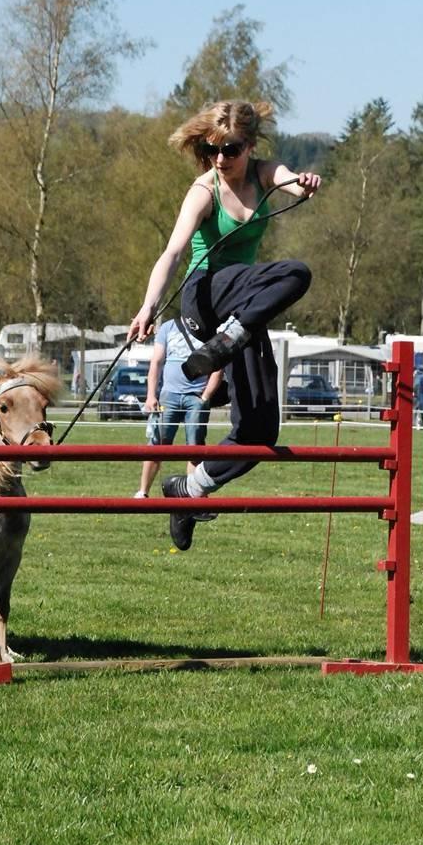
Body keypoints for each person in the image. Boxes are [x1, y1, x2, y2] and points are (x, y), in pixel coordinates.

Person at [127, 99, 321, 550]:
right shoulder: (204, 189)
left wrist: (306, 184)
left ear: (249, 145)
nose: (221, 159)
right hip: (204, 298)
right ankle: (230, 338)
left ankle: (188, 492)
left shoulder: (264, 173)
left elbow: (290, 182)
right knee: (295, 272)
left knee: (260, 432)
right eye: (213, 150)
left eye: (231, 149)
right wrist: (147, 307)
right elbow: (173, 253)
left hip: (242, 312)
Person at [132, 317, 224, 500]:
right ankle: (143, 492)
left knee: (195, 449)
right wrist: (151, 395)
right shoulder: (168, 327)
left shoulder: (211, 329)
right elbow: (156, 362)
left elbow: (218, 368)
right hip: (169, 396)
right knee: (156, 445)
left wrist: (205, 397)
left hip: (196, 398)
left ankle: (194, 494)